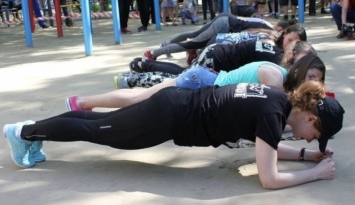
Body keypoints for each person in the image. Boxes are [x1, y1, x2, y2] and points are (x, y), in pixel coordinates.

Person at [4, 80, 345, 190]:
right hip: (167, 116)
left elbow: (266, 149)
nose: (313, 141)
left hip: (172, 106)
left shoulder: (276, 100)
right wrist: (314, 175)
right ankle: (24, 131)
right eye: (316, 136)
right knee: (97, 130)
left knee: (98, 125)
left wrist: (303, 157)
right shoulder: (273, 116)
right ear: (311, 117)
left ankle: (31, 133)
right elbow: (267, 177)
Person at [67, 54, 325, 110]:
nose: (313, 83)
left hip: (204, 80)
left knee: (142, 98)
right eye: (311, 77)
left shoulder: (280, 75)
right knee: (139, 99)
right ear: (300, 70)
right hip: (202, 82)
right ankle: (82, 103)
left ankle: (82, 103)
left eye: (318, 81)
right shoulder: (275, 79)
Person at [123, 39, 316, 89]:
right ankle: (138, 73)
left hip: (219, 54)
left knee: (182, 76)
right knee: (180, 78)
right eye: (305, 58)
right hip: (218, 58)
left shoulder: (279, 54)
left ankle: (142, 68)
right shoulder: (279, 62)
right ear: (294, 53)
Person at [143, 23, 307, 63]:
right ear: (284, 32)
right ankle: (153, 54)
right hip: (222, 37)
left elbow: (245, 33)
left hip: (223, 38)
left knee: (194, 40)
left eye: (295, 43)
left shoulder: (271, 32)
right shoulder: (271, 39)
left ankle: (193, 53)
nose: (291, 44)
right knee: (192, 42)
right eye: (290, 40)